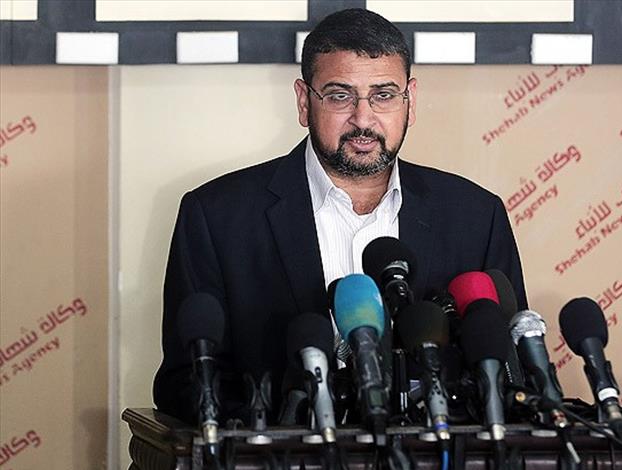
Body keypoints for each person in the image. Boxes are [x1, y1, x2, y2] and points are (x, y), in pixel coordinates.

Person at [153, 8, 527, 425]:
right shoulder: (217, 217)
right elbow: (185, 383)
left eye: (384, 95)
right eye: (339, 96)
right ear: (303, 101)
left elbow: (513, 374)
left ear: (410, 100)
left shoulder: (476, 216)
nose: (363, 119)